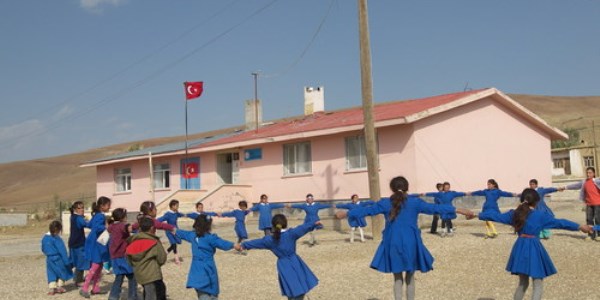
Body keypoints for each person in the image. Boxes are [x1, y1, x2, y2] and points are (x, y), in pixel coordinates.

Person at [336, 176, 474, 300]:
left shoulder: (385, 203)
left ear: (392, 189)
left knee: (397, 278)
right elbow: (435, 208)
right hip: (411, 242)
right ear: (407, 188)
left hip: (392, 242)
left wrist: (348, 213)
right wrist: (458, 209)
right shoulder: (415, 202)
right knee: (410, 276)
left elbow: (367, 210)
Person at [478, 188, 592, 300]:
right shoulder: (540, 215)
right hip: (533, 247)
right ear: (537, 201)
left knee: (522, 283)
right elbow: (560, 223)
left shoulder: (515, 214)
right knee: (537, 283)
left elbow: (496, 216)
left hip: (520, 247)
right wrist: (579, 226)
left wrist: (476, 215)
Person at [239, 214, 319, 300]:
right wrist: (314, 223)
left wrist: (244, 245)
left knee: (291, 287)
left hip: (283, 265)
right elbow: (302, 228)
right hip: (295, 261)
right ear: (285, 223)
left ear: (273, 225)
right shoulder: (291, 234)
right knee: (301, 284)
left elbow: (257, 242)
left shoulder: (270, 240)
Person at [176, 214, 237, 299]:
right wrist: (234, 245)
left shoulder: (192, 236)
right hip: (209, 268)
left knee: (202, 293)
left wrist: (169, 228)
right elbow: (223, 244)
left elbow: (180, 232)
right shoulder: (211, 238)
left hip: (197, 270)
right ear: (208, 226)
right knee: (212, 294)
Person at [126, 217, 168, 300]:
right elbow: (162, 258)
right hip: (153, 275)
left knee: (148, 292)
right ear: (152, 228)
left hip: (140, 274)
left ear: (140, 228)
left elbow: (129, 259)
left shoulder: (132, 242)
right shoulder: (154, 242)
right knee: (156, 294)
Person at [80, 196, 111, 298]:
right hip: (97, 243)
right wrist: (105, 227)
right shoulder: (100, 216)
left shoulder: (97, 215)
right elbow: (97, 228)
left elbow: (89, 225)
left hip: (96, 242)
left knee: (100, 264)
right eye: (108, 205)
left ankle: (95, 287)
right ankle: (85, 287)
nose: (109, 206)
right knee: (96, 264)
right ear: (102, 206)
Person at [107, 208, 137, 300]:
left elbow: (109, 229)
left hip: (114, 256)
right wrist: (140, 223)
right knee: (132, 276)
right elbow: (128, 228)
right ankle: (132, 297)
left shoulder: (112, 226)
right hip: (123, 256)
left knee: (119, 277)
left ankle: (113, 296)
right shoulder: (122, 225)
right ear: (122, 217)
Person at [565, 167, 600, 240]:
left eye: (590, 172)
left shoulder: (597, 181)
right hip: (589, 204)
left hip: (598, 203)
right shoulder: (584, 182)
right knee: (589, 219)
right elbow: (575, 185)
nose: (588, 174)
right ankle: (591, 235)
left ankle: (599, 235)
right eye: (587, 173)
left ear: (593, 174)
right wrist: (565, 187)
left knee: (598, 219)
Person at [42, 220, 73, 295]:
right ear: (58, 230)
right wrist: (66, 261)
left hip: (49, 259)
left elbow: (43, 249)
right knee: (62, 271)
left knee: (51, 272)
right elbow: (62, 250)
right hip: (58, 258)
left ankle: (52, 288)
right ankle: (60, 286)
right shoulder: (57, 239)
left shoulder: (45, 238)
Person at [68, 201, 89, 287]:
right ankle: (78, 280)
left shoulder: (72, 217)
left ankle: (62, 276)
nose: (82, 209)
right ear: (75, 209)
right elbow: (87, 224)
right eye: (79, 208)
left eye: (83, 207)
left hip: (72, 242)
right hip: (79, 243)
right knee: (81, 261)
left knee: (73, 261)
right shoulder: (79, 218)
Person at [157, 199, 184, 264]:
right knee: (174, 244)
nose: (178, 207)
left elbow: (181, 214)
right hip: (169, 231)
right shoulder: (168, 214)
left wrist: (188, 215)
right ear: (172, 206)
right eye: (176, 206)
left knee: (179, 242)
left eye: (178, 205)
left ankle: (165, 253)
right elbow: (160, 219)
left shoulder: (176, 213)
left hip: (176, 231)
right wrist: (153, 221)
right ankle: (176, 259)